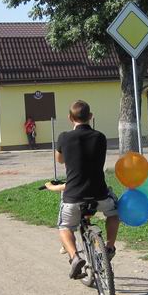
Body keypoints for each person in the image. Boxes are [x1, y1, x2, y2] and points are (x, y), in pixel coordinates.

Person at [44, 100, 119, 279]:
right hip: (100, 193)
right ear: (91, 117)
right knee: (114, 213)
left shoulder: (64, 137)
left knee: (64, 227)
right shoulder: (100, 137)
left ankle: (75, 257)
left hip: (74, 196)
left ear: (70, 118)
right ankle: (109, 246)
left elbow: (60, 160)